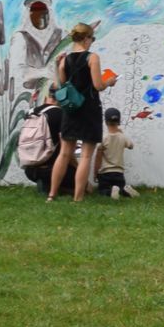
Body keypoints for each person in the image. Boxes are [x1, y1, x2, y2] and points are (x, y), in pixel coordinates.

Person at [48, 22, 105, 201]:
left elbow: (60, 85)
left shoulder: (64, 59)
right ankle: (78, 197)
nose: (92, 42)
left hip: (71, 110)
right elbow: (98, 85)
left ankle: (52, 194)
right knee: (86, 155)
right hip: (89, 108)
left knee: (65, 153)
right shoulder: (92, 58)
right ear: (86, 38)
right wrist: (109, 82)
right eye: (92, 38)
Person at [97, 107, 132, 198]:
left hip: (105, 173)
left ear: (105, 122)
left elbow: (98, 157)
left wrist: (95, 172)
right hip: (119, 173)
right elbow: (131, 146)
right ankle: (125, 190)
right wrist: (122, 134)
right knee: (120, 189)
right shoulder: (122, 137)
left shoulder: (104, 138)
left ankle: (110, 192)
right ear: (119, 122)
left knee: (102, 190)